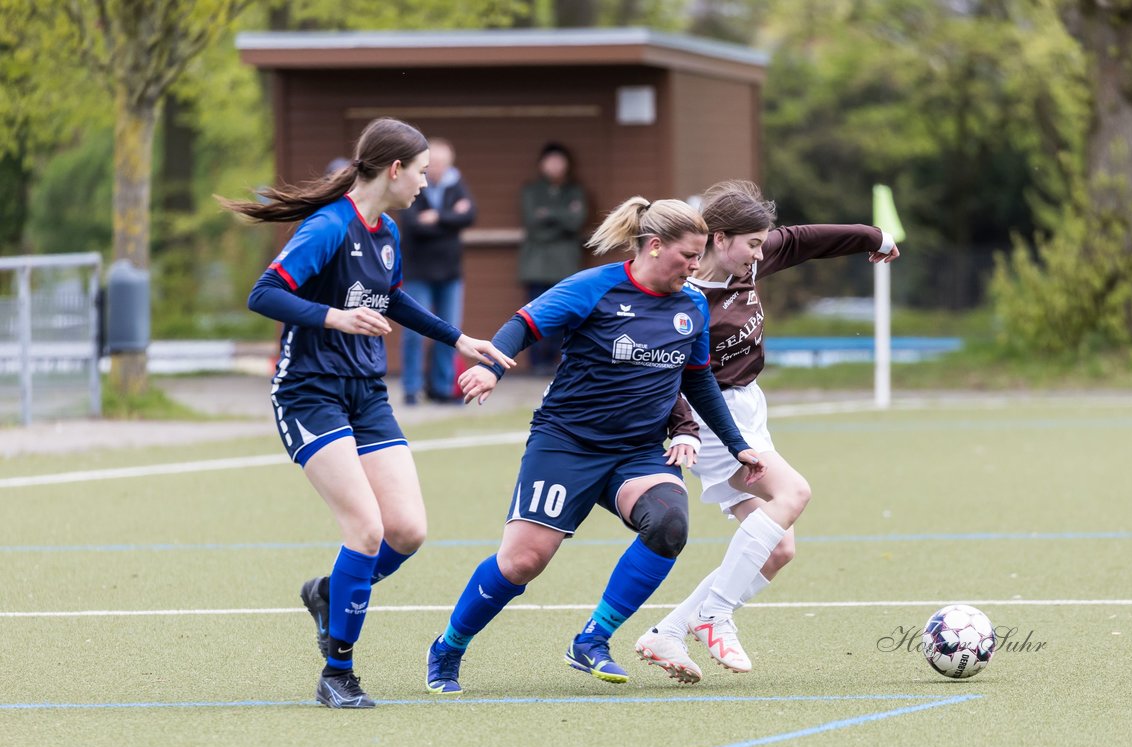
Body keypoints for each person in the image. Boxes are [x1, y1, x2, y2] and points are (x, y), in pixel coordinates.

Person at [220, 118, 514, 709]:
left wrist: (458, 339)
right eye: (424, 174)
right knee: (365, 530)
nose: (427, 187)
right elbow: (264, 293)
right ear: (395, 170)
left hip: (365, 392)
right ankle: (337, 672)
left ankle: (331, 591)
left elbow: (393, 297)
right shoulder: (328, 227)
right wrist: (335, 317)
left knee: (407, 532)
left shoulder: (387, 232)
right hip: (309, 392)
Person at [423, 196, 767, 694]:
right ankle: (449, 646)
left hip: (639, 452)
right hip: (566, 445)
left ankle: (592, 639)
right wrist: (490, 366)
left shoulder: (690, 305)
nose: (696, 267)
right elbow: (524, 323)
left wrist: (736, 445)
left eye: (699, 257)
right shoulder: (595, 287)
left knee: (669, 523)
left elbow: (697, 382)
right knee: (522, 562)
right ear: (653, 247)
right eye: (687, 256)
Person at [634, 179, 900, 684]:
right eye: (753, 243)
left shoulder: (747, 259)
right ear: (719, 238)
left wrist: (873, 236)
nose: (761, 253)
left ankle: (668, 632)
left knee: (778, 550)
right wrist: (684, 428)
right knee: (794, 491)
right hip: (712, 420)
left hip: (750, 410)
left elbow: (802, 240)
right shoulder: (682, 300)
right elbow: (663, 376)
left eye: (762, 244)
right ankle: (713, 615)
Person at [399, 138, 476, 404]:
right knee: (413, 334)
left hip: (450, 273)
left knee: (450, 332)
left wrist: (437, 217)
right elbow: (413, 225)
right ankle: (411, 388)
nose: (437, 169)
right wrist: (449, 219)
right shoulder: (414, 186)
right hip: (417, 271)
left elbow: (469, 216)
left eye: (443, 163)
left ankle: (442, 389)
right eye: (433, 164)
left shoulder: (456, 184)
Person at [517, 141, 587, 373]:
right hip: (536, 264)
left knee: (563, 314)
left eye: (560, 161)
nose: (555, 166)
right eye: (551, 161)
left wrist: (548, 214)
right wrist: (563, 217)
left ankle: (558, 363)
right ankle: (538, 363)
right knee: (536, 313)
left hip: (565, 263)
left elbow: (576, 222)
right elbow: (533, 223)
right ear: (541, 164)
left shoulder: (575, 190)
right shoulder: (531, 190)